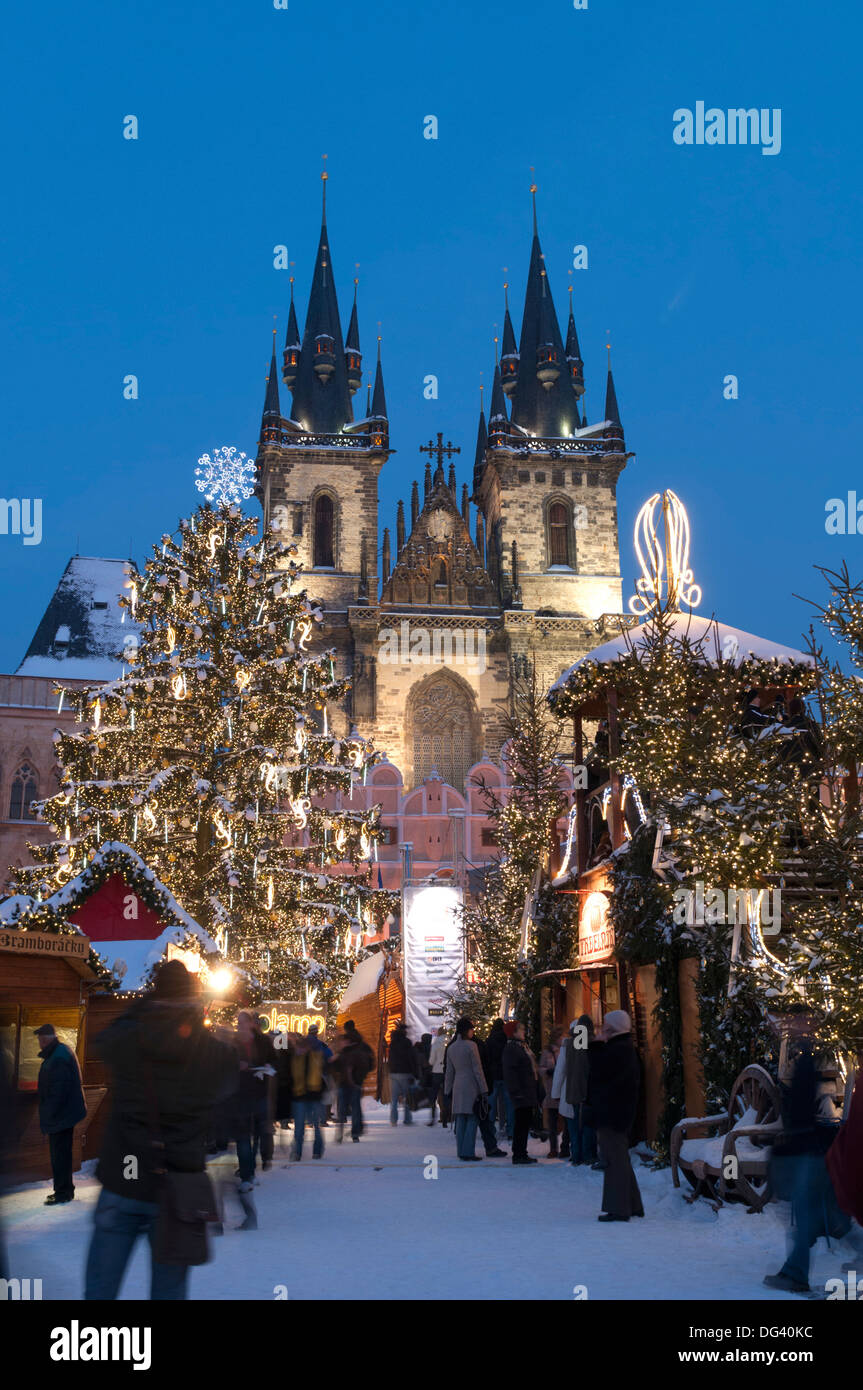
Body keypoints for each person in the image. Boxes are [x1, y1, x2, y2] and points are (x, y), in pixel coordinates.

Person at [84, 960, 238, 1300]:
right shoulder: (206, 1051)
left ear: (156, 992)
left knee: (100, 1288)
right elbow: (229, 1075)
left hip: (123, 1177)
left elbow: (104, 1040)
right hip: (177, 1186)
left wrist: (144, 1007)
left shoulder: (129, 1036)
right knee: (169, 1291)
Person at [764, 1041, 849, 1292]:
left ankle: (795, 1274)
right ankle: (794, 1271)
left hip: (806, 1149)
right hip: (811, 1147)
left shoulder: (804, 1064)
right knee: (826, 1213)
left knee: (805, 1214)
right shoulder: (807, 1062)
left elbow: (802, 1111)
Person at [586, 1010, 644, 1222]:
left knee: (614, 1160)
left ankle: (619, 1207)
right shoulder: (623, 1048)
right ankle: (633, 1204)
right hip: (617, 1112)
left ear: (612, 1028)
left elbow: (598, 1070)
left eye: (605, 1026)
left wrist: (596, 1044)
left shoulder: (617, 1049)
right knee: (620, 1158)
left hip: (612, 1113)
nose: (601, 1029)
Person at [34, 1022, 87, 1206]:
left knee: (60, 1155)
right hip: (65, 1114)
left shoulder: (58, 1058)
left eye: (40, 1039)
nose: (39, 1043)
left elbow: (58, 1091)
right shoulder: (60, 1052)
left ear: (47, 1039)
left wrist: (49, 1114)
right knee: (61, 1153)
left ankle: (63, 1193)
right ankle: (64, 1190)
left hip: (61, 1115)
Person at [230, 1011, 276, 1189]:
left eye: (242, 1022)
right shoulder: (234, 1043)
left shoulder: (263, 1041)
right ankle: (246, 1175)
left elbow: (274, 1060)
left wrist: (268, 1066)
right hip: (240, 1094)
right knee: (243, 1137)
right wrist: (237, 1066)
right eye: (238, 1023)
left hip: (259, 1092)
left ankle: (252, 1169)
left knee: (259, 1133)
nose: (239, 1026)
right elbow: (227, 1063)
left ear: (250, 1023)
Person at [552, 1015, 596, 1165]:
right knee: (586, 1125)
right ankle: (586, 1155)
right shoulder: (589, 1044)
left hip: (569, 1092)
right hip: (586, 1092)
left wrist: (556, 1093)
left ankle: (576, 1156)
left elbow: (560, 1071)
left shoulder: (568, 1045)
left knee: (574, 1127)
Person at [443, 1017, 487, 1161]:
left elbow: (449, 1072)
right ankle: (468, 1151)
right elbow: (477, 1069)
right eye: (471, 1029)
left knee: (460, 1118)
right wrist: (483, 1088)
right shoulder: (471, 1046)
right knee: (472, 1117)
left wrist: (447, 1090)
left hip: (457, 1085)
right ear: (466, 1030)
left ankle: (460, 1150)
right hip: (471, 1085)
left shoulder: (451, 1048)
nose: (473, 1031)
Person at [290, 1026, 332, 1160]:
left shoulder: (310, 1057)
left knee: (304, 1127)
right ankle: (308, 1151)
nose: (300, 1049)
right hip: (307, 1095)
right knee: (308, 1127)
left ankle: (302, 1152)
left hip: (308, 1095)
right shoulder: (318, 1051)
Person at [502, 1020, 540, 1165]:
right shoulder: (512, 1048)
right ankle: (519, 1153)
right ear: (514, 1032)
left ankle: (521, 1152)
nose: (524, 1031)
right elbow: (510, 1072)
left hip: (526, 1091)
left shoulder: (522, 1046)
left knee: (523, 1122)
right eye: (521, 1029)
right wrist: (516, 1091)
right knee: (521, 1123)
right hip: (521, 1092)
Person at [336, 1020, 373, 1142]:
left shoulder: (346, 1045)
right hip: (356, 1082)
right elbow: (371, 1062)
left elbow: (339, 1063)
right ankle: (355, 1133)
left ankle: (340, 1133)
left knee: (342, 1108)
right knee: (356, 1107)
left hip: (345, 1081)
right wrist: (362, 1076)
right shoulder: (362, 1044)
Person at [473, 1029, 508, 1157]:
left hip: (492, 1077)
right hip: (502, 1076)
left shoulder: (487, 1042)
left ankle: (492, 1130)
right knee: (504, 1104)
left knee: (489, 1109)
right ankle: (507, 1130)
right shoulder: (505, 1042)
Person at [539, 1031, 568, 1158]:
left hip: (563, 1091)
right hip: (551, 1091)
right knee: (552, 1122)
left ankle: (565, 1147)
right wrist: (548, 1071)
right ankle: (553, 1148)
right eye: (561, 1037)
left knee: (566, 1120)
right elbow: (540, 1069)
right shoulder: (547, 1052)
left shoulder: (565, 1051)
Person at [486, 1018, 514, 1140]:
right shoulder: (507, 1040)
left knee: (491, 1106)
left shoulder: (489, 1040)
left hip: (493, 1076)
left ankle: (490, 1130)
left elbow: (487, 1060)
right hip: (506, 1075)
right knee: (509, 1105)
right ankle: (511, 1130)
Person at [387, 1021, 419, 1125]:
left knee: (394, 1099)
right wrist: (414, 1072)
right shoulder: (407, 1043)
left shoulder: (392, 1043)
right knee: (407, 1097)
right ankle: (407, 1119)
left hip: (394, 1073)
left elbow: (390, 1058)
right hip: (405, 1072)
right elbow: (411, 1058)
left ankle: (393, 1120)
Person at [426, 1027, 447, 1125]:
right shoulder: (450, 1042)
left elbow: (431, 1061)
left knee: (434, 1095)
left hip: (437, 1072)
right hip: (447, 1071)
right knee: (446, 1095)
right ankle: (446, 1118)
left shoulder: (436, 1043)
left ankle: (433, 1118)